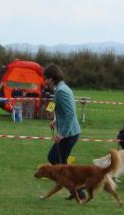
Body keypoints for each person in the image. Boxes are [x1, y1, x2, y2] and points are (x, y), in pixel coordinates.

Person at [43, 64, 84, 200]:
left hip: (69, 133)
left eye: (46, 78)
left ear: (52, 78)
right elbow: (60, 109)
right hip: (69, 132)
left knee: (54, 159)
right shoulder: (61, 88)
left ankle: (75, 189)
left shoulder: (61, 91)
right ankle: (77, 190)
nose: (45, 81)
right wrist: (55, 121)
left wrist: (62, 134)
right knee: (60, 161)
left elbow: (70, 114)